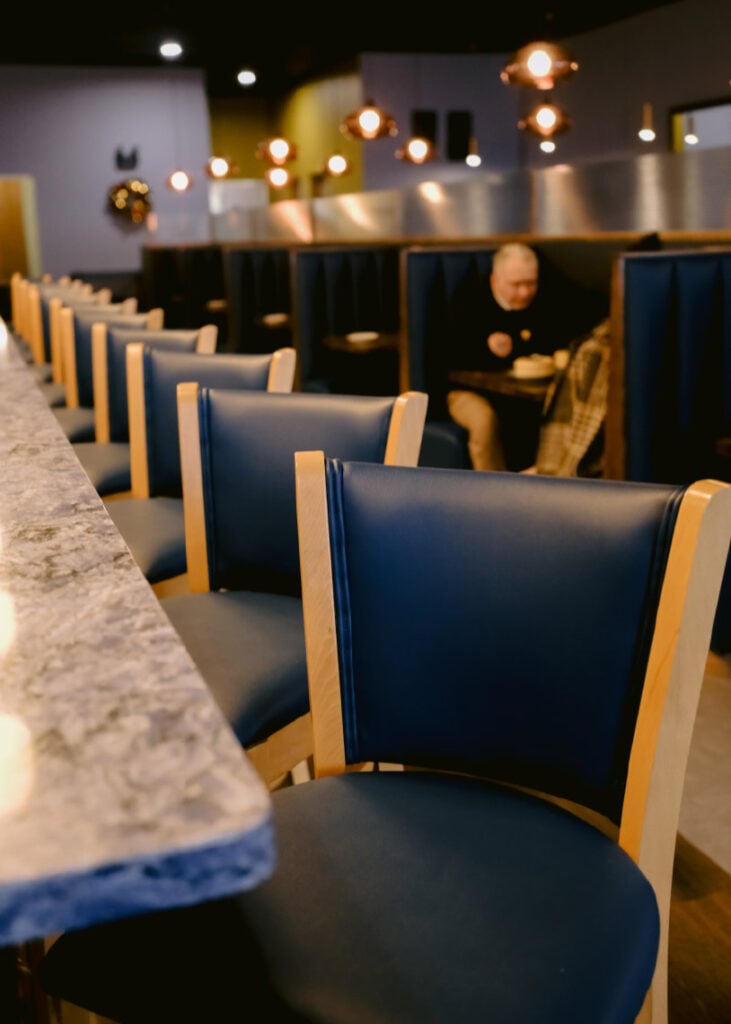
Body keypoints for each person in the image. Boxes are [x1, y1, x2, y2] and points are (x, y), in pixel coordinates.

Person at [446, 242, 576, 471]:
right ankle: (494, 496)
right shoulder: (470, 299)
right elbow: (446, 356)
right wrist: (485, 348)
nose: (525, 292)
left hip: (523, 395)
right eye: (516, 285)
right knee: (484, 422)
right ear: (496, 280)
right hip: (465, 391)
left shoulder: (547, 299)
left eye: (530, 283)